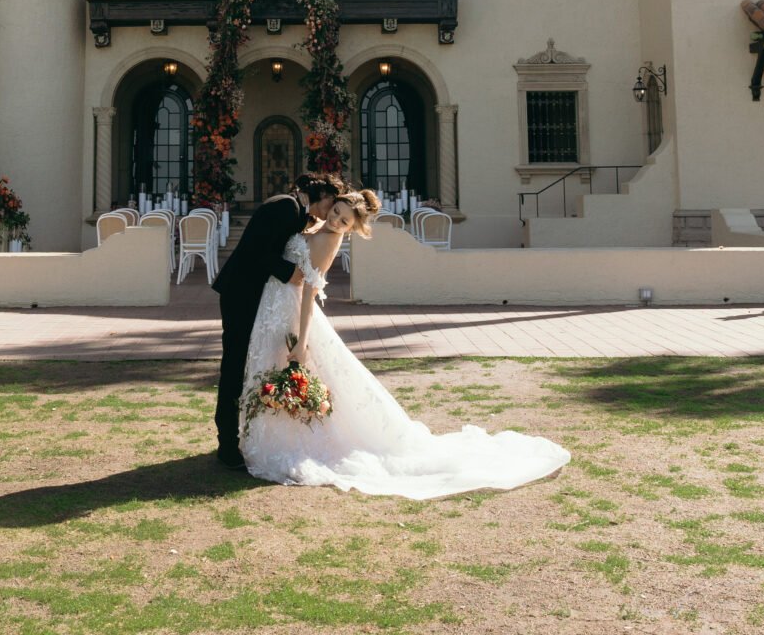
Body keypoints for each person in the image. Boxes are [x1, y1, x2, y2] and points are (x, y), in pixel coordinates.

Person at [238, 189, 570, 498]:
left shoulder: (329, 242)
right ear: (332, 205)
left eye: (344, 222)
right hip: (274, 303)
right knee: (269, 364)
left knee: (291, 365)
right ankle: (272, 435)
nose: (336, 221)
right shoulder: (316, 228)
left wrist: (303, 340)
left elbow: (310, 293)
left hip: (292, 310)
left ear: (353, 228)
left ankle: (294, 441)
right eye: (336, 212)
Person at [211, 173, 342, 470]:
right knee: (234, 364)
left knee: (247, 364)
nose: (330, 212)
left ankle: (242, 435)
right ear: (321, 194)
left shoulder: (295, 211)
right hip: (241, 294)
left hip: (255, 296)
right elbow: (256, 250)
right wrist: (290, 272)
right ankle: (227, 443)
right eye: (331, 204)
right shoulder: (283, 206)